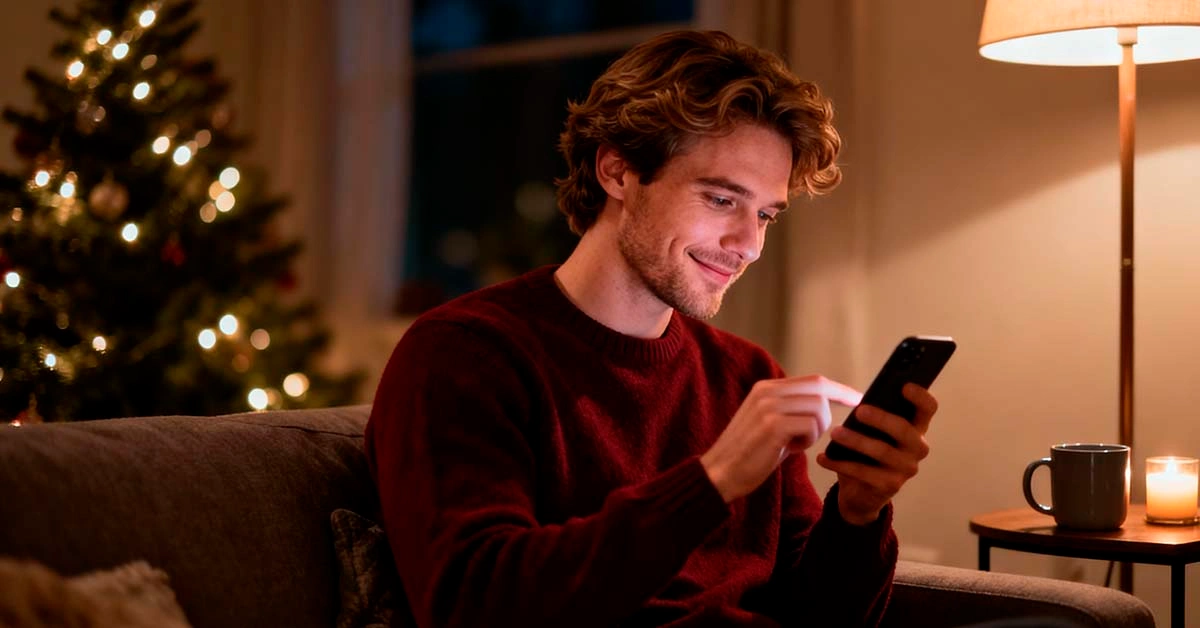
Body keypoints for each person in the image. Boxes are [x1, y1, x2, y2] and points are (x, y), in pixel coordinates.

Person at [365, 29, 939, 627]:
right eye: (721, 200)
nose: (749, 245)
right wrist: (714, 479)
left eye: (766, 214)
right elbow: (472, 604)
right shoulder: (463, 354)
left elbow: (817, 619)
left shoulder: (746, 375)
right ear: (617, 171)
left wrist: (857, 512)